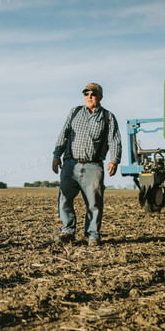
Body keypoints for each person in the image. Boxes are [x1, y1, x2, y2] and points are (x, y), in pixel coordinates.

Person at [51, 82, 121, 247]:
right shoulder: (74, 112)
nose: (89, 96)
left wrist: (114, 160)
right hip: (70, 164)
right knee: (64, 199)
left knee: (94, 203)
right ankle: (68, 231)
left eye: (93, 94)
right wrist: (56, 156)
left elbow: (115, 140)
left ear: (100, 97)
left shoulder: (108, 117)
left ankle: (93, 235)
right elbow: (64, 134)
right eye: (86, 93)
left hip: (93, 166)